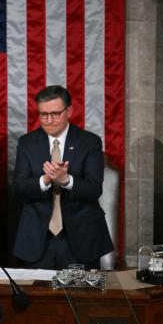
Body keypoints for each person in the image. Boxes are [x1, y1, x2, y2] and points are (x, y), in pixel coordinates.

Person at [13, 85, 114, 269]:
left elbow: (94, 189)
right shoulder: (27, 143)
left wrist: (66, 180)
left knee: (81, 297)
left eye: (55, 114)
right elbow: (18, 187)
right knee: (38, 297)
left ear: (69, 111)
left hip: (80, 238)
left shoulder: (89, 142)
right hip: (38, 238)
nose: (49, 120)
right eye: (43, 114)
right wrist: (45, 181)